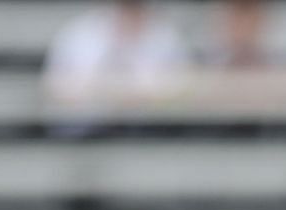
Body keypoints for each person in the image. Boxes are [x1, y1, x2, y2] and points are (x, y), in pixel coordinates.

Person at [42, 0, 190, 132]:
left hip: (148, 131)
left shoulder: (166, 35)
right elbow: (56, 89)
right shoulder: (78, 34)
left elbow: (184, 89)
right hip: (88, 131)